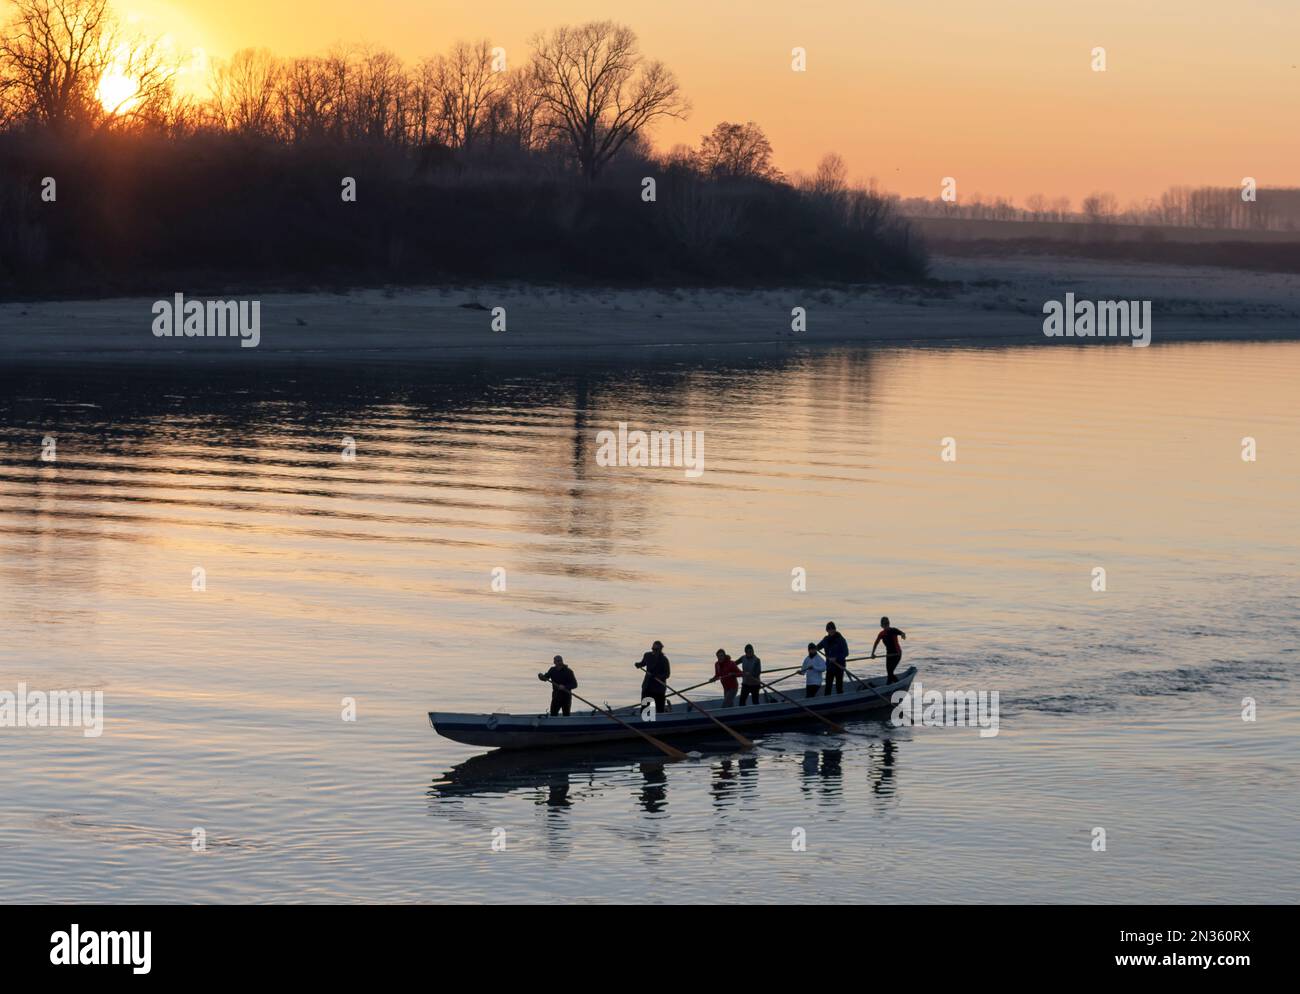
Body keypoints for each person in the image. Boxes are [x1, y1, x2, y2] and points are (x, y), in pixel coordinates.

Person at [635, 640, 671, 715]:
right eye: (653, 649)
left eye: (656, 649)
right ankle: (645, 721)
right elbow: (643, 663)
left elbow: (667, 674)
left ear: (660, 650)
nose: (654, 651)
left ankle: (659, 721)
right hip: (647, 687)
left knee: (659, 710)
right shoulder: (647, 655)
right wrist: (638, 664)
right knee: (645, 709)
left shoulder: (664, 660)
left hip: (659, 689)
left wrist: (657, 676)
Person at [815, 621, 849, 695]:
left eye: (832, 629)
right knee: (828, 686)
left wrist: (836, 658)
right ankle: (827, 700)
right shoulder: (825, 639)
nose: (831, 631)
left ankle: (840, 700)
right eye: (829, 630)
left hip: (839, 666)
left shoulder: (841, 639)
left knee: (839, 686)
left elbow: (846, 653)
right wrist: (814, 647)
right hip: (830, 667)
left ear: (835, 629)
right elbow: (818, 647)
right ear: (827, 630)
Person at [872, 617, 907, 681]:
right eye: (885, 624)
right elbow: (876, 643)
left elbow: (902, 633)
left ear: (889, 624)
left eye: (887, 623)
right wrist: (872, 654)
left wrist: (903, 635)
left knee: (890, 672)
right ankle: (889, 684)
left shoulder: (894, 630)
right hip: (889, 655)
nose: (886, 625)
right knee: (889, 673)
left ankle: (897, 684)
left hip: (897, 654)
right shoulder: (881, 634)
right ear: (881, 626)